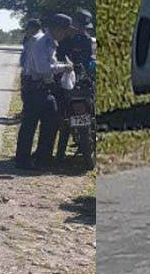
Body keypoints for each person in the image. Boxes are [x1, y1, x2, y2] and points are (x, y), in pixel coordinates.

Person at [15, 14, 73, 169]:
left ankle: (37, 158)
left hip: (39, 87)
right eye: (64, 30)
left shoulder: (48, 42)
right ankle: (33, 159)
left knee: (42, 122)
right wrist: (64, 67)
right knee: (38, 123)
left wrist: (60, 65)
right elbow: (43, 68)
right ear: (57, 29)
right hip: (36, 87)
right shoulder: (43, 43)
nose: (65, 34)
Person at [54, 13, 96, 161]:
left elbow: (89, 60)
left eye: (84, 27)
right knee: (64, 117)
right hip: (66, 81)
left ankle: (61, 153)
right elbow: (58, 58)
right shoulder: (64, 40)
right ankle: (60, 152)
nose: (82, 29)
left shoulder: (86, 40)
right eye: (80, 26)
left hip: (83, 82)